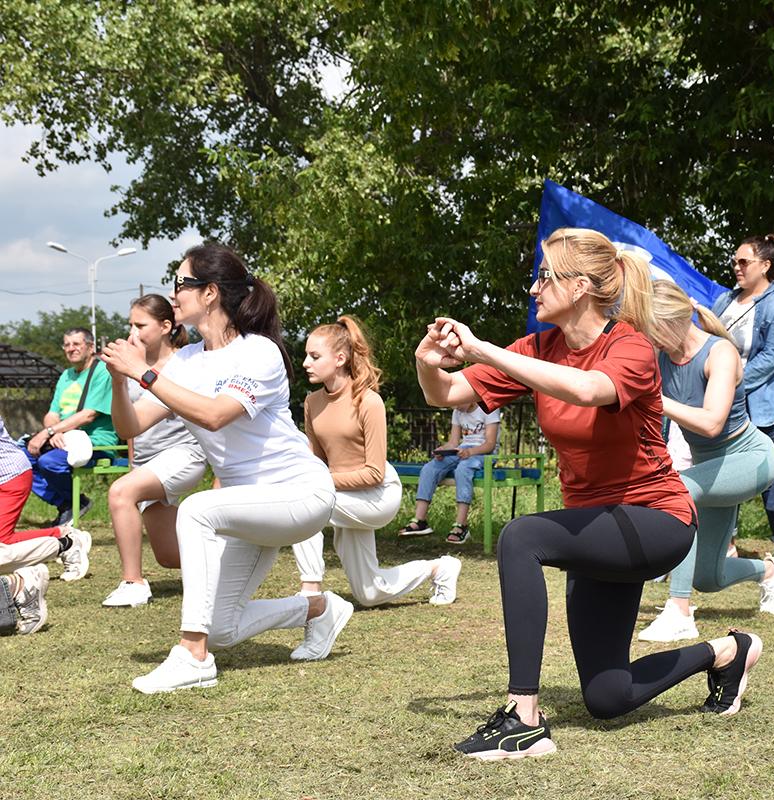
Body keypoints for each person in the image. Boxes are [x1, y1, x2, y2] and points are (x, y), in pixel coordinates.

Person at [416, 227, 764, 760]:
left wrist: (481, 347)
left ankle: (523, 717)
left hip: (656, 520)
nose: (534, 289)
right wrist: (429, 361)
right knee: (608, 695)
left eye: (544, 277)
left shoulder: (631, 348)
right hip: (600, 527)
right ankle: (727, 651)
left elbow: (586, 389)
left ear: (579, 286)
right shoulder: (539, 348)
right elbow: (449, 393)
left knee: (521, 537)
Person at [102, 242, 351, 694]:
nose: (173, 294)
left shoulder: (258, 352)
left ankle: (193, 657)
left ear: (211, 292)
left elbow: (216, 414)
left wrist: (145, 374)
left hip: (301, 494)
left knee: (197, 509)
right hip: (246, 506)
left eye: (181, 283)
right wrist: (123, 381)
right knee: (222, 626)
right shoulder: (187, 361)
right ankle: (317, 608)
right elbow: (130, 425)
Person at [638, 281, 774, 643]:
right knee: (708, 577)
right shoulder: (663, 357)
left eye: (651, 328)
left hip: (750, 459)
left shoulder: (720, 352)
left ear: (673, 321)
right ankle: (770, 571)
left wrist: (655, 399)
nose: (649, 338)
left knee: (679, 490)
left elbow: (711, 422)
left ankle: (679, 612)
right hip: (712, 467)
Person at [288, 316, 461, 607]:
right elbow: (316, 461)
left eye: (314, 356)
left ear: (340, 358)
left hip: (378, 495)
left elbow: (373, 473)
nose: (306, 362)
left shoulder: (368, 401)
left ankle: (310, 589)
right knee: (370, 593)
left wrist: (317, 482)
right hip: (341, 495)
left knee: (303, 505)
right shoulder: (312, 402)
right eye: (307, 355)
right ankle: (439, 568)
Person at [102, 295, 209, 608]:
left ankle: (132, 582)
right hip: (148, 465)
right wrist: (119, 382)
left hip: (183, 456)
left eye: (140, 325)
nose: (132, 332)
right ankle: (231, 552)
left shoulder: (182, 364)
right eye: (130, 325)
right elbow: (126, 428)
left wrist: (130, 484)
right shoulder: (131, 366)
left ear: (166, 326)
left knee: (120, 493)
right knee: (170, 557)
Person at [711, 235, 774, 556]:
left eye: (743, 262)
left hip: (759, 406)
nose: (736, 267)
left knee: (768, 473)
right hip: (721, 401)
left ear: (765, 266)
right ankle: (726, 543)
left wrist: (731, 380)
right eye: (734, 261)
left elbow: (772, 358)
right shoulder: (724, 301)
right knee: (723, 470)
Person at [1, 413, 91, 635]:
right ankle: (63, 535)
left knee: (2, 541)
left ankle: (65, 544)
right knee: (5, 539)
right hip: (9, 475)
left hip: (9, 478)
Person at [23, 327, 119, 526]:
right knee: (19, 460)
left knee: (49, 462)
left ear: (91, 347)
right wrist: (53, 433)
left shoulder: (102, 371)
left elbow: (89, 415)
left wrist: (52, 432)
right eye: (66, 344)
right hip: (63, 439)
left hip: (94, 443)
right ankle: (70, 503)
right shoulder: (66, 375)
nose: (71, 348)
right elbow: (51, 414)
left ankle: (73, 504)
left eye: (76, 344)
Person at [400, 402, 501, 544]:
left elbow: (490, 444)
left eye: (457, 403)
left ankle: (461, 525)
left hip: (484, 453)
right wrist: (443, 450)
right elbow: (454, 442)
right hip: (462, 450)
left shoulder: (489, 410)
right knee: (430, 468)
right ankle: (420, 520)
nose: (456, 408)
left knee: (463, 469)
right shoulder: (458, 411)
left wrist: (470, 452)